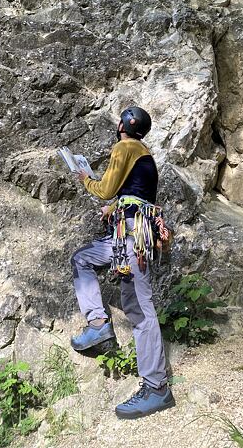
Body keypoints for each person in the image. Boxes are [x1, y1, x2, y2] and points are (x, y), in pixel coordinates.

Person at [70, 106, 175, 420]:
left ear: (123, 125)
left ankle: (157, 388)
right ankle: (99, 326)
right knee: (82, 259)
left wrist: (86, 179)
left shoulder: (125, 147)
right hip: (125, 235)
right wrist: (113, 207)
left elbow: (106, 188)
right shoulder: (144, 154)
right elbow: (133, 194)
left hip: (131, 237)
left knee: (139, 308)